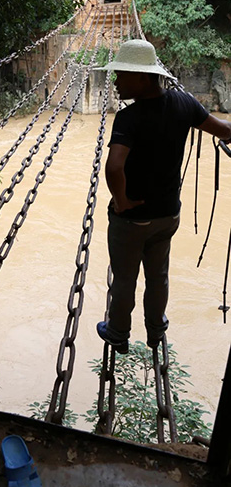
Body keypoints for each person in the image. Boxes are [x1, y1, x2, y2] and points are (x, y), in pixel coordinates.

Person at [95, 39, 231, 353]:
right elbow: (223, 130)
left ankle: (117, 331)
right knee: (158, 276)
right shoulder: (184, 103)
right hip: (168, 214)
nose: (115, 81)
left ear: (142, 78)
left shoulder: (129, 118)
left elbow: (114, 168)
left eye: (121, 75)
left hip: (133, 218)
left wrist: (121, 201)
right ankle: (156, 331)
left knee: (125, 278)